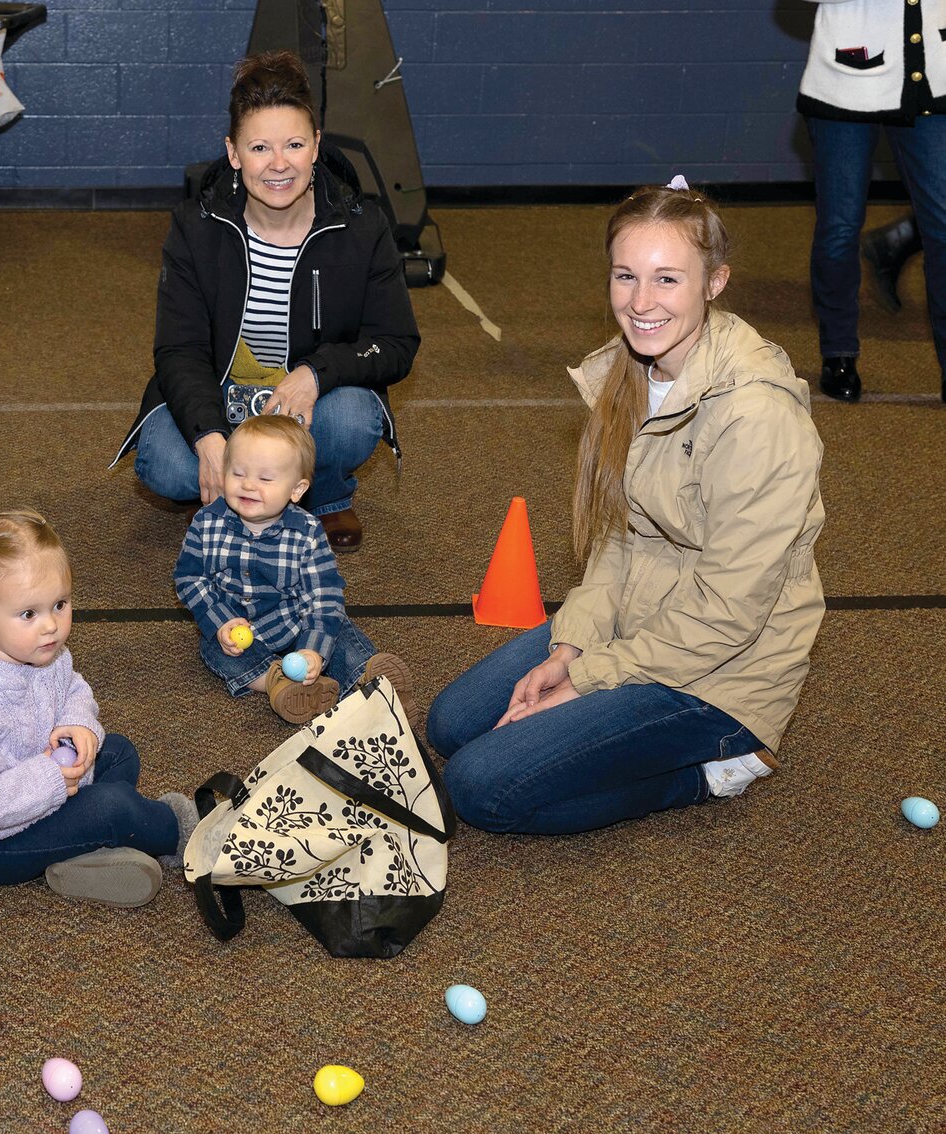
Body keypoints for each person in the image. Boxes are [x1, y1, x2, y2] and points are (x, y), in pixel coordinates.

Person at [426, 181, 826, 835]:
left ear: (714, 282)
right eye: (625, 276)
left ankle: (717, 767)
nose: (641, 304)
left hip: (721, 672)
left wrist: (588, 678)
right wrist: (570, 646)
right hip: (642, 619)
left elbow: (727, 617)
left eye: (667, 279)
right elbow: (620, 538)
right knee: (451, 724)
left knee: (480, 789)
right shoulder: (634, 369)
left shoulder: (757, 417)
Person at [112, 49, 420, 554]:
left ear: (317, 146)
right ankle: (244, 489)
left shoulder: (362, 226)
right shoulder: (195, 226)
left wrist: (315, 373)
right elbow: (179, 350)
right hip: (223, 397)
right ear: (233, 153)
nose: (279, 164)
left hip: (307, 405)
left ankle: (319, 495)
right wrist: (209, 436)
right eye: (259, 148)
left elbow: (396, 343)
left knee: (354, 420)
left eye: (295, 144)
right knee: (164, 462)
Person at [0, 497, 200, 908]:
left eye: (60, 605)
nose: (51, 626)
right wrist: (49, 782)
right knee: (114, 808)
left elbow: (74, 690)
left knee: (117, 751)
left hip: (36, 785)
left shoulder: (42, 651)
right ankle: (189, 836)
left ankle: (85, 850)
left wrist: (79, 726)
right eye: (28, 613)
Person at [174, 414, 419, 726]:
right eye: (237, 473)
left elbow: (323, 596)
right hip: (242, 633)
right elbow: (190, 577)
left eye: (265, 479)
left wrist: (313, 651)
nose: (248, 484)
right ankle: (278, 683)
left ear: (297, 489)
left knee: (337, 628)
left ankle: (371, 678)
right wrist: (221, 622)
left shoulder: (307, 531)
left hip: (296, 619)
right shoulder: (206, 523)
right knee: (215, 649)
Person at [797, 0, 946, 402]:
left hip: (933, 74)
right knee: (839, 227)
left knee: (944, 226)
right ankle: (839, 351)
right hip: (844, 79)